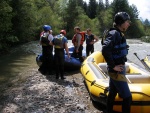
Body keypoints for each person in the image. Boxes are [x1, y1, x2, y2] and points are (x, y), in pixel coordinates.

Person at [101, 12, 132, 113]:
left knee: (113, 93)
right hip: (116, 71)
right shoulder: (114, 33)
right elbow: (105, 49)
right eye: (127, 22)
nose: (128, 24)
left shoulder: (117, 33)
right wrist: (113, 66)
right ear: (121, 22)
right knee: (127, 97)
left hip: (116, 69)